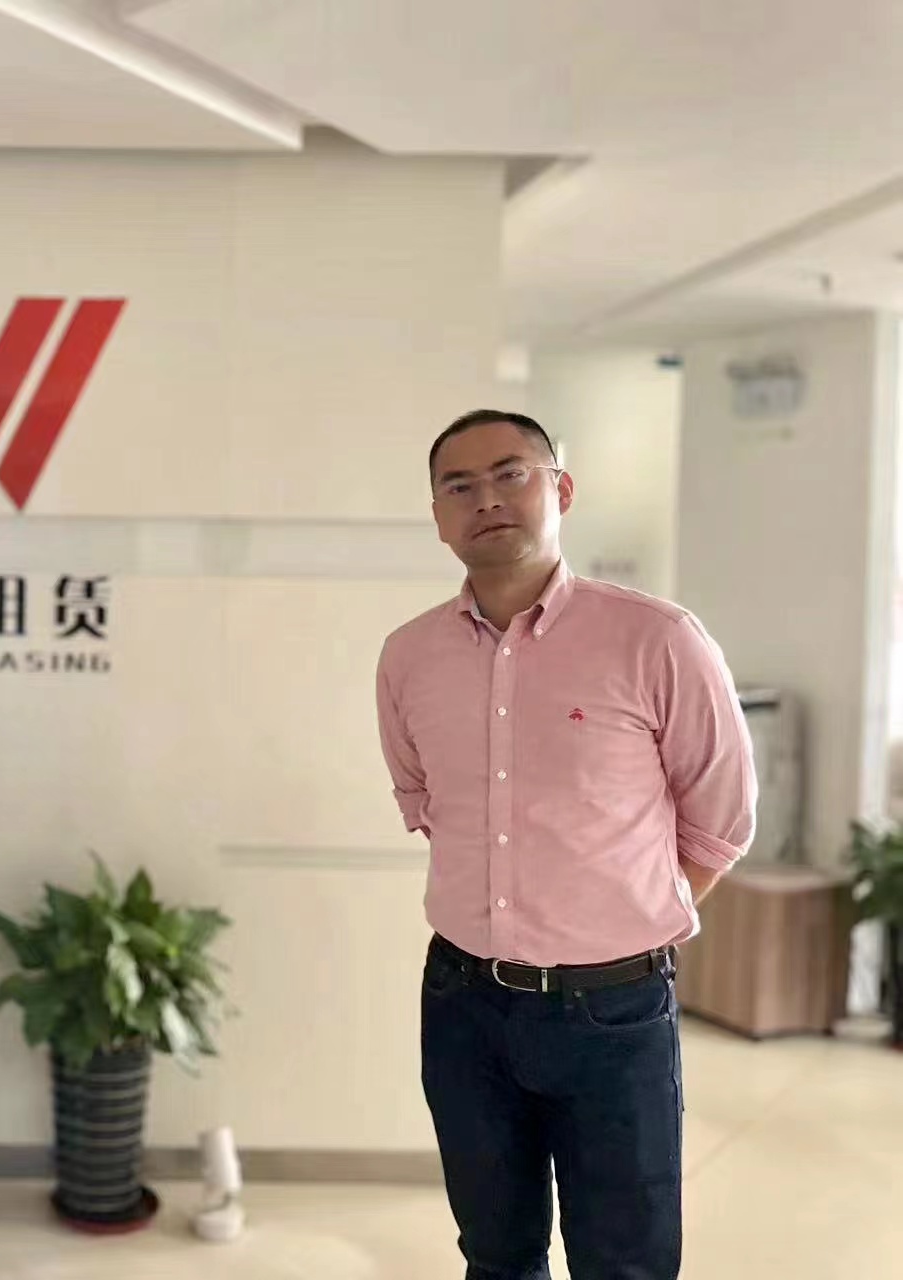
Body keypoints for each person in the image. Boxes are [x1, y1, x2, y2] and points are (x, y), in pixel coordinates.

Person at [375, 410, 756, 1280]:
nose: (486, 499)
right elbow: (428, 805)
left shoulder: (658, 639)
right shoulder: (407, 657)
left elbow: (720, 821)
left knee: (624, 1263)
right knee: (495, 1255)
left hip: (613, 1012)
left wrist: (617, 924)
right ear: (437, 516)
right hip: (463, 1005)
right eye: (458, 485)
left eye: (510, 473)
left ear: (561, 489)